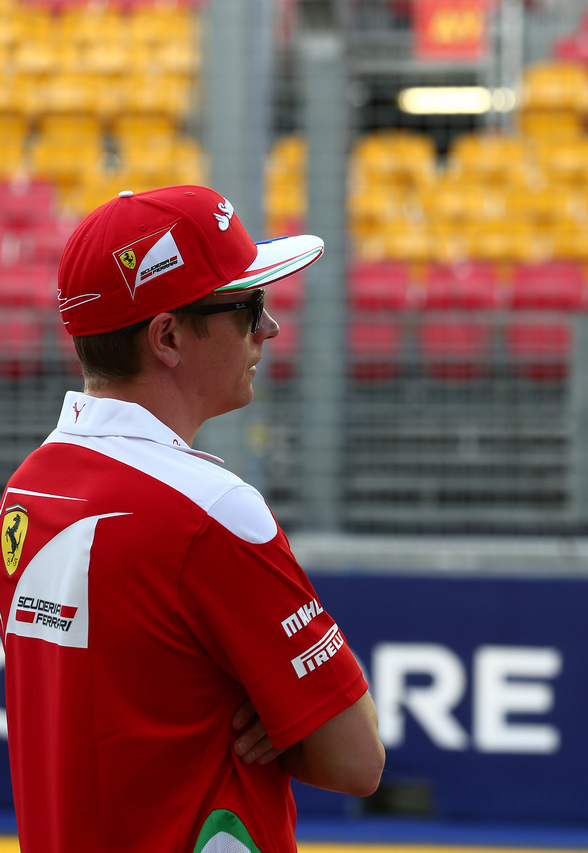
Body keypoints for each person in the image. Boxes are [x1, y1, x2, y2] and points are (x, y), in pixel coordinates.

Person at [0, 185, 385, 852]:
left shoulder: (26, 492)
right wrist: (283, 710)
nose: (269, 329)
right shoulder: (210, 509)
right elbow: (355, 758)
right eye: (248, 307)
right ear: (169, 336)